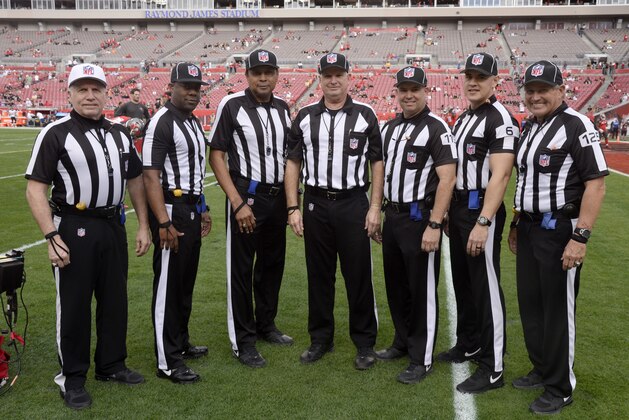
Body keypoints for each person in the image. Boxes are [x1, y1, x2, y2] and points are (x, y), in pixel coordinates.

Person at [25, 63, 151, 410]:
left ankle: (111, 365)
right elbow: (36, 188)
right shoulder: (55, 133)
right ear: (70, 94)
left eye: (96, 89)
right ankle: (73, 377)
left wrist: (142, 224)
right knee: (75, 304)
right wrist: (51, 234)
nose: (90, 95)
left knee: (115, 300)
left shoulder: (120, 133)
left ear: (107, 93)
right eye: (82, 89)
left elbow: (135, 180)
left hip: (113, 224)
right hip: (73, 226)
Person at [508, 60, 607, 415]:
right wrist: (518, 222)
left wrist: (580, 237)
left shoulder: (576, 125)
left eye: (543, 90)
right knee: (532, 305)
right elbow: (525, 181)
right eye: (530, 90)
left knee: (557, 309)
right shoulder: (530, 127)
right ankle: (541, 367)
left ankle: (560, 386)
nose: (535, 96)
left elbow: (596, 183)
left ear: (561, 91)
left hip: (559, 229)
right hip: (531, 227)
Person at [285, 52, 383, 370]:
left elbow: (377, 164)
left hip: (353, 202)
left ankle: (365, 342)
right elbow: (293, 164)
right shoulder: (304, 116)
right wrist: (292, 208)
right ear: (320, 79)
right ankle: (321, 339)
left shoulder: (366, 115)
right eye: (327, 75)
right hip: (315, 203)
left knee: (358, 275)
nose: (333, 80)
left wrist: (375, 206)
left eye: (338, 74)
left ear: (348, 77)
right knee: (319, 275)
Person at [439, 52, 519, 394]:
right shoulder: (465, 117)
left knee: (485, 288)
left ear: (494, 82)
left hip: (479, 209)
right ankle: (468, 343)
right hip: (459, 209)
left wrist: (484, 220)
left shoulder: (500, 117)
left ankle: (493, 366)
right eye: (468, 75)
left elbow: (500, 176)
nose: (473, 82)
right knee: (464, 283)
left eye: (480, 77)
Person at [209, 49, 293, 368]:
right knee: (242, 269)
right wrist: (237, 202)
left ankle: (265, 325)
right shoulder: (232, 106)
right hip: (247, 195)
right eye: (256, 72)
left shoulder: (284, 109)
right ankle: (243, 340)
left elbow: (290, 158)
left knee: (272, 264)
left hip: (277, 198)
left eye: (268, 71)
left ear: (276, 75)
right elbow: (217, 155)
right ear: (246, 75)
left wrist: (290, 200)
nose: (262, 77)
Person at [375, 66, 457, 384]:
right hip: (393, 217)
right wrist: (378, 212)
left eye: (415, 89)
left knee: (421, 290)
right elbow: (382, 175)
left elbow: (447, 179)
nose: (408, 95)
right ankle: (401, 341)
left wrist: (435, 224)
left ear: (426, 92)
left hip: (419, 218)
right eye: (403, 89)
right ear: (396, 92)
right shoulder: (390, 128)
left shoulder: (436, 128)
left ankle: (421, 358)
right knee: (396, 287)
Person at [142, 62, 212, 384]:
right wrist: (163, 221)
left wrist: (204, 206)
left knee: (185, 283)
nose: (192, 93)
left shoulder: (194, 123)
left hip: (192, 208)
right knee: (169, 286)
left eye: (197, 88)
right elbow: (150, 176)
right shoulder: (162, 122)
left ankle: (180, 343)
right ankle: (167, 360)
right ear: (171, 86)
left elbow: (196, 171)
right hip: (172, 208)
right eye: (186, 86)